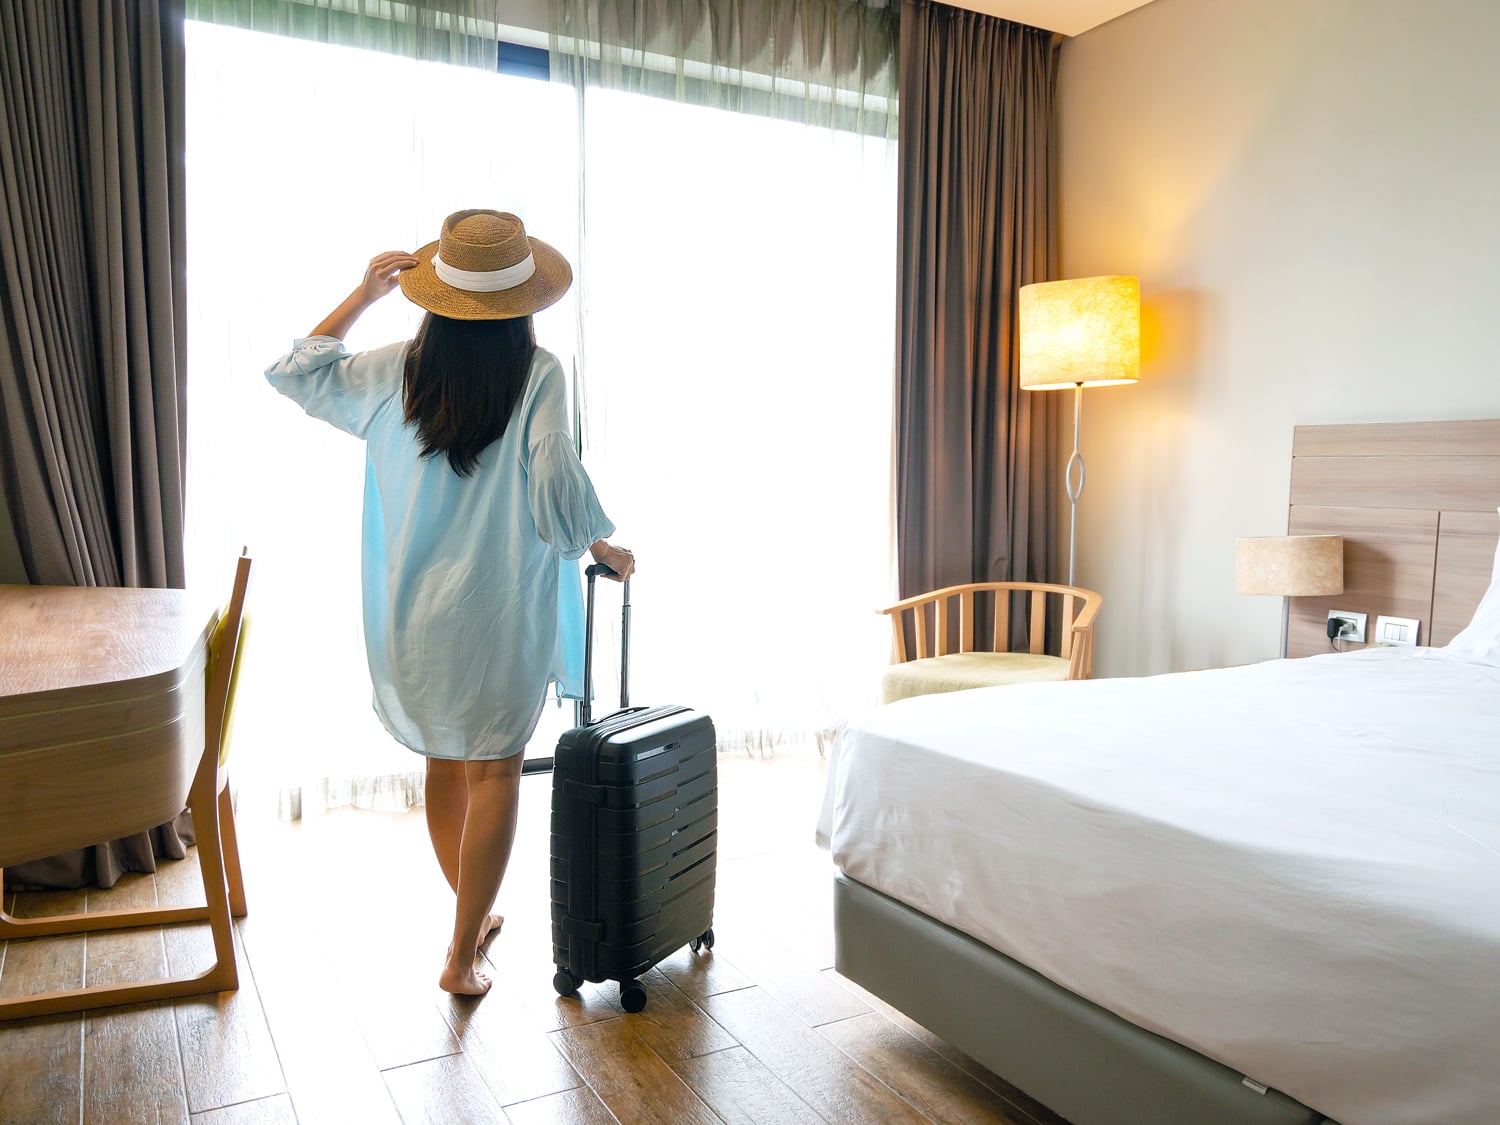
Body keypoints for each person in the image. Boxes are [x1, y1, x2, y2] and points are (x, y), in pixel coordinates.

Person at [264, 209, 634, 996]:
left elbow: (297, 373)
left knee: (445, 761)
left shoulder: (397, 368)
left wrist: (362, 295)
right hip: (499, 611)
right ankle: (462, 951)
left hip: (415, 614)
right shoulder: (540, 375)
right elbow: (556, 481)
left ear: (438, 299)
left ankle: (470, 925)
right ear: (520, 304)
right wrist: (599, 543)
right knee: (495, 769)